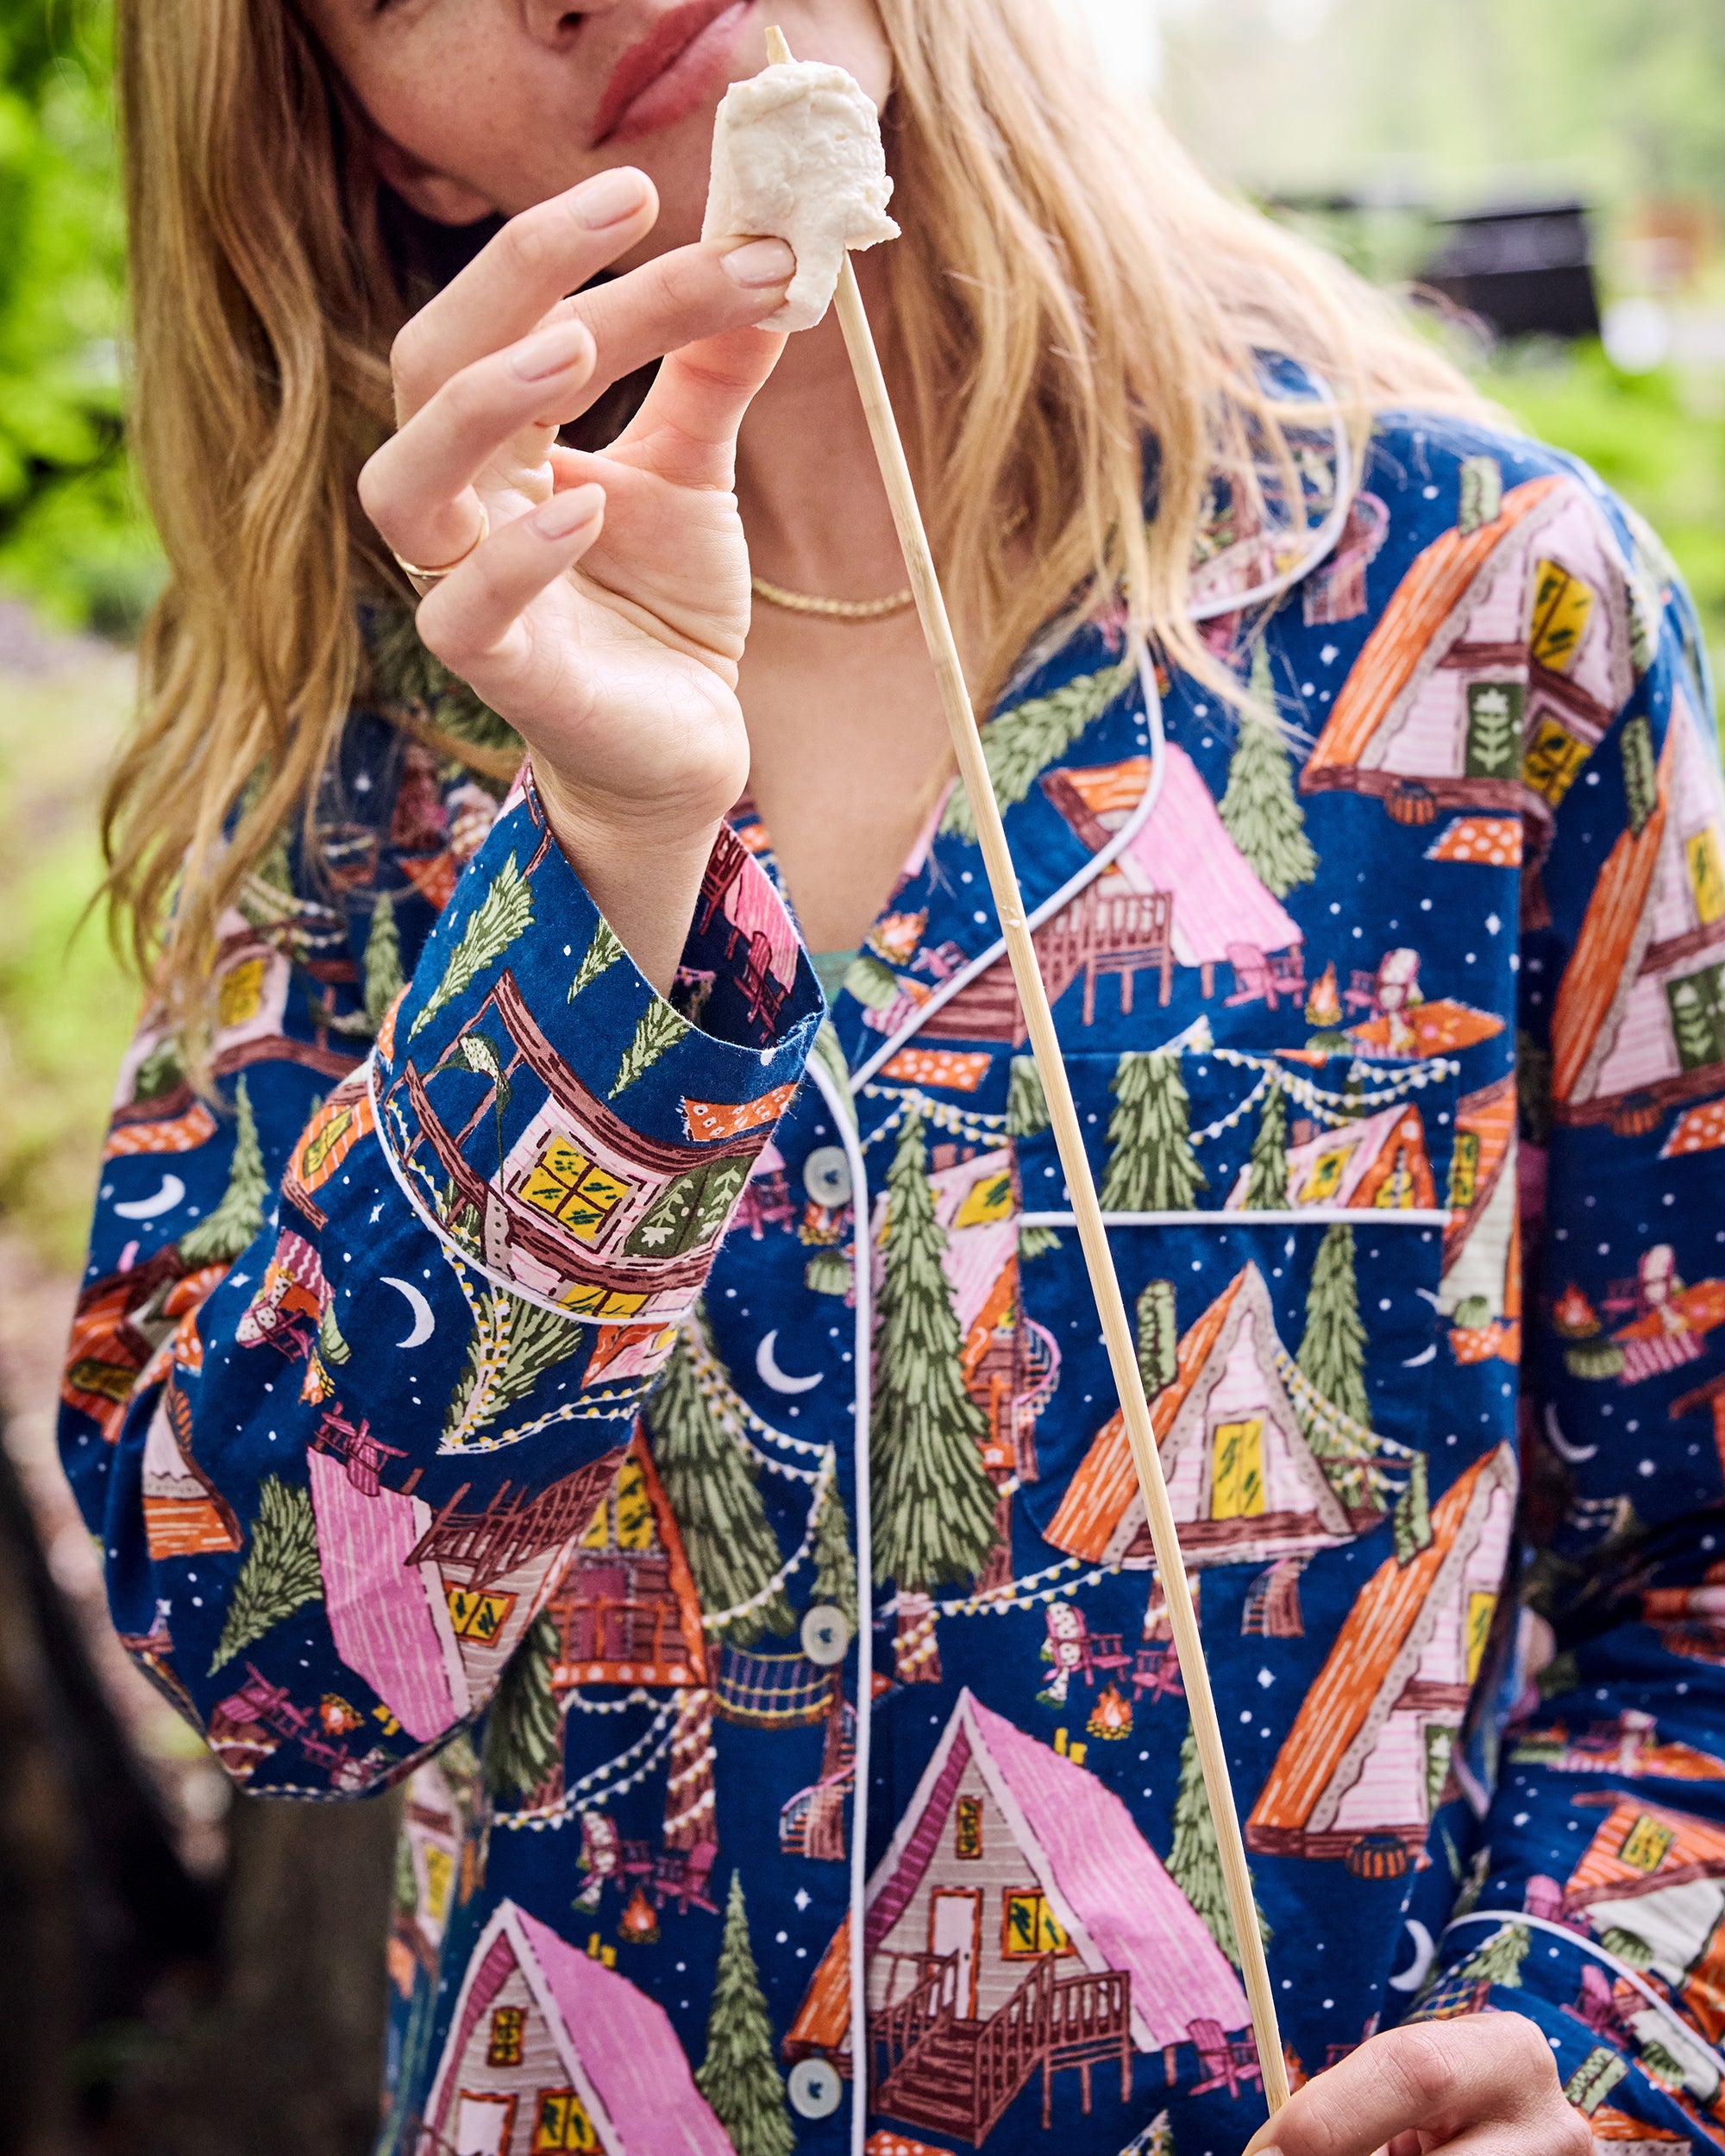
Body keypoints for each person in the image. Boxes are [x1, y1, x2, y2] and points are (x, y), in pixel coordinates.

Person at [64, 2, 1724, 2151]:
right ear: (395, 154)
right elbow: (271, 1666)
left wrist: (1595, 2043)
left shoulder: (1493, 609)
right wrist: (611, 875)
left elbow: (1695, 1573)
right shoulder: (364, 733)